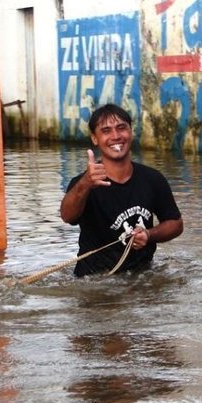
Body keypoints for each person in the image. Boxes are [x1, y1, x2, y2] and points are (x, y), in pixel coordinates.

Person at [60, 104, 184, 277]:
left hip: (142, 276)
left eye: (121, 128)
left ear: (131, 132)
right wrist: (85, 183)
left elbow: (176, 224)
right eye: (106, 131)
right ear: (95, 139)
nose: (116, 136)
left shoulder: (153, 179)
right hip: (95, 280)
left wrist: (149, 234)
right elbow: (67, 216)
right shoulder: (82, 184)